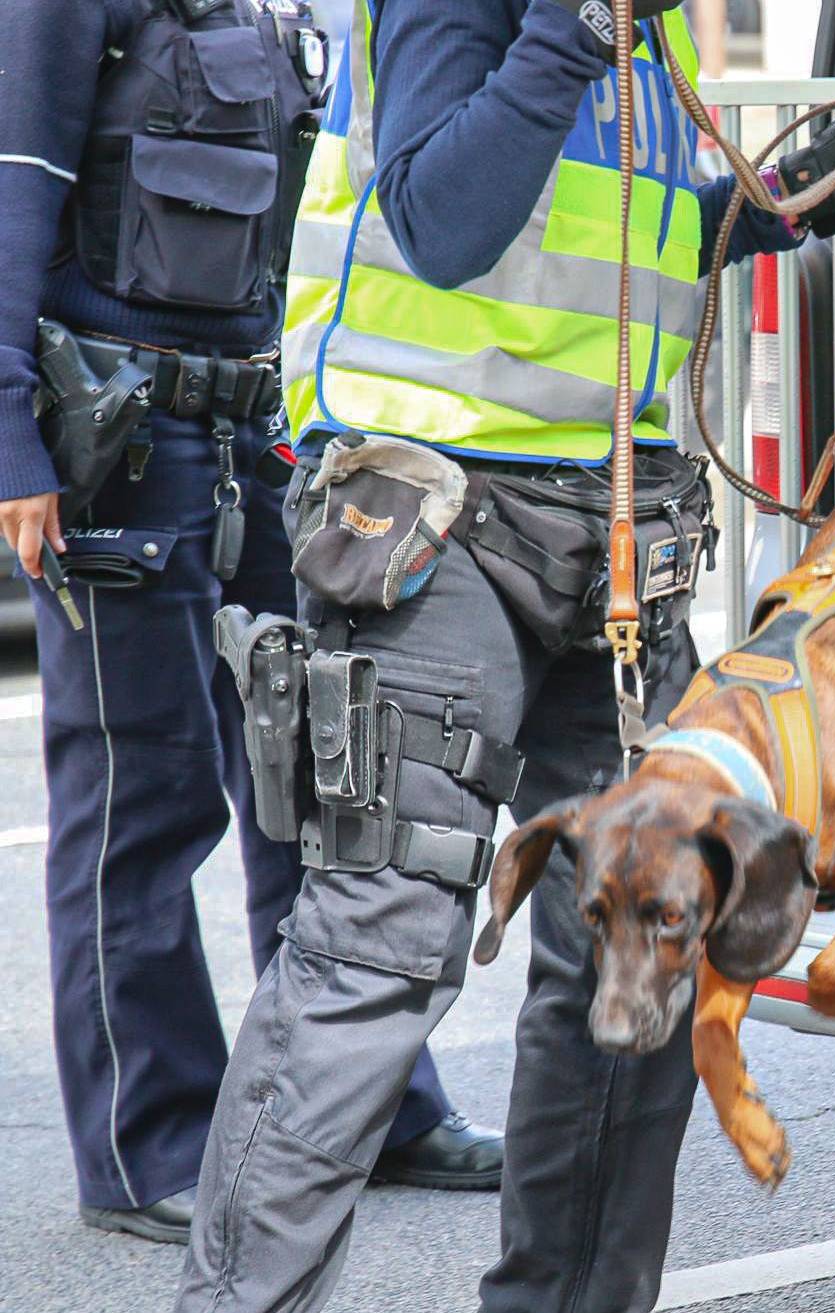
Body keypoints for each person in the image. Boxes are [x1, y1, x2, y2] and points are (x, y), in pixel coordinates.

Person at [174, 1, 835, 1308]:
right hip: (432, 519)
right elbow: (444, 221)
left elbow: (634, 238)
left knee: (643, 937)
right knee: (379, 953)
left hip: (616, 532)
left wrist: (810, 198)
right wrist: (576, 30)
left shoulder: (639, 31)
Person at [0, 0, 502, 1249]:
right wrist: (10, 440)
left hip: (272, 435)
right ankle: (146, 1141)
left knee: (330, 783)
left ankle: (364, 1109)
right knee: (141, 798)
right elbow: (7, 197)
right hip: (120, 441)